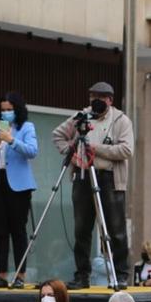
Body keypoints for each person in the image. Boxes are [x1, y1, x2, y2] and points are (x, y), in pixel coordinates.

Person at [52, 81, 133, 288]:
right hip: (83, 175)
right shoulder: (81, 116)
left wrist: (96, 149)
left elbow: (126, 150)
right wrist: (71, 153)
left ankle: (120, 274)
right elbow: (58, 135)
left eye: (101, 97)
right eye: (93, 97)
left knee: (115, 229)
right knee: (82, 228)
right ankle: (82, 275)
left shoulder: (121, 120)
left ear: (110, 100)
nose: (96, 101)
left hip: (109, 178)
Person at [0, 92, 40, 287]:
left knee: (18, 230)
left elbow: (32, 151)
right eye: (2, 110)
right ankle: (1, 274)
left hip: (19, 185)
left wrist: (11, 140)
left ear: (17, 110)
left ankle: (20, 275)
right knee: (0, 230)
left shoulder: (26, 127)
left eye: (9, 110)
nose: (5, 113)